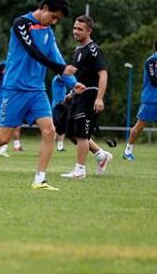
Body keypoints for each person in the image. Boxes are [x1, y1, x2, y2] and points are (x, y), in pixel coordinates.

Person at [0, 0, 84, 190]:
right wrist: (60, 70)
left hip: (37, 91)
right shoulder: (21, 24)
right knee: (2, 138)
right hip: (14, 89)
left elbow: (57, 57)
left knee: (49, 130)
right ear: (44, 8)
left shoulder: (48, 32)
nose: (54, 22)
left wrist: (72, 82)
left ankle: (39, 180)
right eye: (54, 17)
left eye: (57, 20)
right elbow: (32, 51)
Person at [61, 15, 113, 178]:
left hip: (90, 95)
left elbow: (103, 75)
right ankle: (100, 155)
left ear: (89, 31)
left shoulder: (94, 50)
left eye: (80, 29)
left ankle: (80, 170)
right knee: (71, 132)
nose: (75, 31)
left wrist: (99, 98)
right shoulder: (77, 51)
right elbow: (79, 76)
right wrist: (71, 93)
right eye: (75, 28)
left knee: (82, 134)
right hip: (78, 95)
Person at [123, 41, 157, 161]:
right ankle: (128, 151)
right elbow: (154, 80)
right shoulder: (151, 61)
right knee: (140, 126)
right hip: (150, 99)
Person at [51, 75, 67, 151]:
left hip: (62, 106)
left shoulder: (62, 82)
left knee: (62, 126)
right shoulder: (57, 79)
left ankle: (60, 146)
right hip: (57, 106)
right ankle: (50, 145)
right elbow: (66, 80)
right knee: (55, 127)